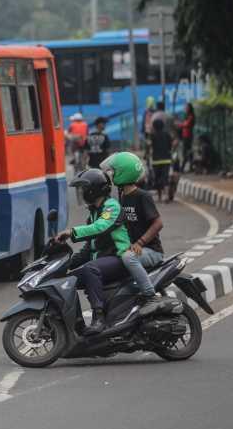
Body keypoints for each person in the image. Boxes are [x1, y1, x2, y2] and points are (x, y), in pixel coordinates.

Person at [56, 169, 131, 334]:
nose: (82, 193)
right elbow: (88, 250)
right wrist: (63, 264)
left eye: (84, 189)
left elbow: (101, 228)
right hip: (103, 260)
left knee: (90, 269)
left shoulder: (111, 207)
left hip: (119, 258)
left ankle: (99, 318)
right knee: (67, 281)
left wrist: (71, 232)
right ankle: (77, 325)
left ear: (94, 189)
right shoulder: (94, 213)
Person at [100, 152, 164, 315]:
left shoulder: (142, 196)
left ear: (123, 173)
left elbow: (158, 223)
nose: (111, 175)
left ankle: (151, 296)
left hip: (151, 250)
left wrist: (140, 243)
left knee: (128, 257)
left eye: (113, 171)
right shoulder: (122, 197)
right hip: (134, 248)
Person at [149, 119, 174, 202]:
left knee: (157, 178)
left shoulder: (152, 135)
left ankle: (159, 197)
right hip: (166, 160)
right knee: (165, 178)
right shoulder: (167, 135)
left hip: (156, 160)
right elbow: (170, 146)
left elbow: (150, 147)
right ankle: (166, 195)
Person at [179, 103, 196, 172]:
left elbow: (186, 124)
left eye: (187, 107)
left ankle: (184, 167)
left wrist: (179, 124)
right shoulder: (186, 116)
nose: (185, 109)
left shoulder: (191, 116)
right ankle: (189, 166)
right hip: (185, 136)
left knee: (186, 152)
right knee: (187, 152)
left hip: (188, 136)